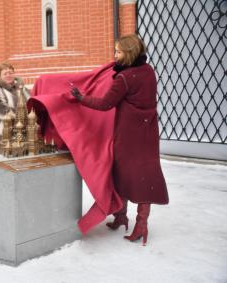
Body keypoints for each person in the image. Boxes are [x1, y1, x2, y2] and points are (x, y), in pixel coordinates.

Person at [70, 34, 169, 245]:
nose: (114, 55)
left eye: (118, 52)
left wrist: (81, 98)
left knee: (122, 174)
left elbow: (105, 104)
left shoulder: (123, 79)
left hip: (128, 135)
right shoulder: (148, 71)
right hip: (148, 131)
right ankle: (129, 219)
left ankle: (131, 221)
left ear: (129, 53)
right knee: (145, 176)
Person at [0, 62, 30, 145]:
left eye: (10, 73)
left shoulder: (21, 88)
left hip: (22, 131)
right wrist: (18, 117)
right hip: (3, 131)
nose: (8, 75)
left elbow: (30, 102)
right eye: (5, 74)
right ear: (0, 76)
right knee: (5, 154)